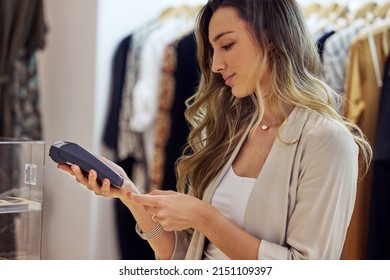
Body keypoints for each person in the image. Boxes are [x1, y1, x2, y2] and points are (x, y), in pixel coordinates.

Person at [58, 0, 372, 260]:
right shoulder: (234, 130)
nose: (215, 65)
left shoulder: (328, 142)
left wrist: (203, 217)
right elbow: (187, 258)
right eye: (212, 50)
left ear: (272, 37)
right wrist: (129, 194)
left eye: (227, 45)